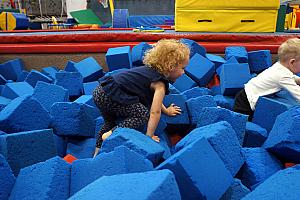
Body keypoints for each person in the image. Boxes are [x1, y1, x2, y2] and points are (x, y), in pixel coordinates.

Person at [93, 39, 190, 157]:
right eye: (182, 68)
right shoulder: (159, 84)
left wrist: (167, 111)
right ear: (171, 66)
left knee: (109, 122)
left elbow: (156, 102)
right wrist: (149, 136)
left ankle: (97, 151)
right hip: (111, 95)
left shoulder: (149, 72)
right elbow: (155, 111)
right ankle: (110, 135)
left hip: (101, 91)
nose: (184, 72)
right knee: (142, 114)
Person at [234, 38, 300, 120]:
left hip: (244, 94)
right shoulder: (282, 76)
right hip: (246, 104)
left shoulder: (279, 66)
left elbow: (292, 78)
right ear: (292, 62)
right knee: (246, 125)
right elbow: (297, 94)